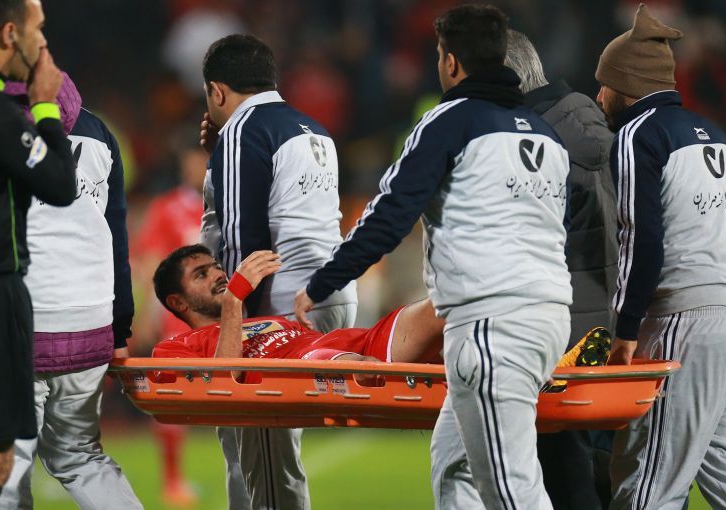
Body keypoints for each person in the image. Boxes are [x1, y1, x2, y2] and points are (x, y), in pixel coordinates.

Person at [294, 5, 572, 509]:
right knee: (455, 466)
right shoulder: (543, 134)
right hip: (547, 316)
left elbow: (390, 215)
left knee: (511, 490)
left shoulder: (449, 121)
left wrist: (323, 282)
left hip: (491, 324)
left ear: (450, 61)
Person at [199, 34, 357, 509]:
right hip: (331, 294)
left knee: (266, 461)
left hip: (281, 303)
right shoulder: (314, 129)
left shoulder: (242, 132)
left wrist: (233, 317)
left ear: (216, 91)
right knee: (244, 440)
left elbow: (242, 237)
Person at [595, 5, 726, 509]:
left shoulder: (638, 134)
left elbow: (642, 237)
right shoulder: (717, 137)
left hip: (680, 320)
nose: (599, 96)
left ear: (627, 85)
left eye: (604, 85)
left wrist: (625, 328)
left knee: (646, 487)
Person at [0, 75, 141, 509]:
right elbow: (116, 237)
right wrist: (119, 329)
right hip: (90, 322)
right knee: (80, 456)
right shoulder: (99, 131)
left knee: (5, 462)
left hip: (19, 322)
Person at [504, 29, 617, 510]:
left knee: (563, 479)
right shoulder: (601, 127)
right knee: (608, 475)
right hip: (615, 328)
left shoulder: (530, 143)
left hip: (558, 335)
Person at [0, 1, 77, 508]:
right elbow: (59, 184)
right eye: (39, 30)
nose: (44, 44)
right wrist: (45, 108)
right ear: (10, 34)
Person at [151, 245, 443, 366]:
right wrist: (234, 299)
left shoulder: (263, 320)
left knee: (448, 306)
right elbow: (223, 383)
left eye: (215, 267)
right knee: (360, 369)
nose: (218, 274)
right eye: (201, 275)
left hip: (356, 341)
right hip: (310, 366)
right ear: (178, 302)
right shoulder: (175, 347)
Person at [131, 135, 211, 507]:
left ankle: (248, 472)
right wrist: (147, 312)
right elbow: (150, 261)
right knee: (173, 397)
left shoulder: (229, 205)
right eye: (193, 161)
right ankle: (173, 479)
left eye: (204, 161)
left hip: (228, 316)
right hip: (181, 319)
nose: (199, 168)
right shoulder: (167, 208)